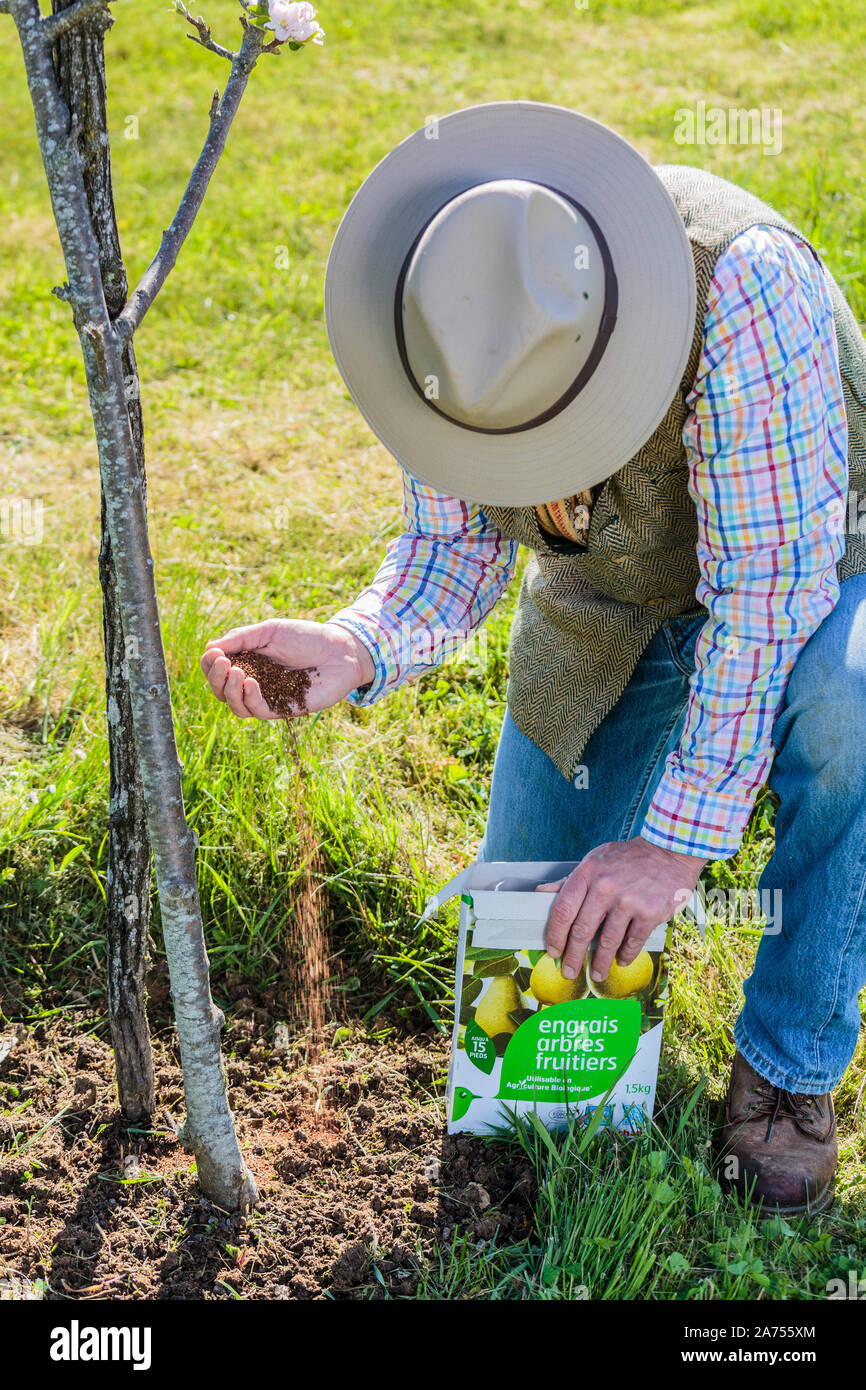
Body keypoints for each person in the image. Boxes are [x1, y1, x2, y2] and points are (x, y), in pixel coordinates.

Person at [201, 102, 866, 1215]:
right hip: (609, 590)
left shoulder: (737, 288)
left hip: (818, 565)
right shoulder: (435, 312)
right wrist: (355, 646)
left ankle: (785, 1068)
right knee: (538, 947)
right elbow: (449, 550)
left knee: (846, 712)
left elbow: (763, 599)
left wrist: (670, 845)